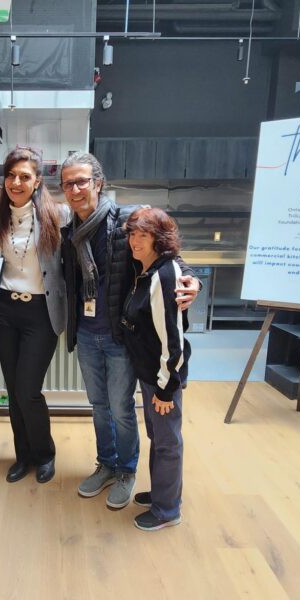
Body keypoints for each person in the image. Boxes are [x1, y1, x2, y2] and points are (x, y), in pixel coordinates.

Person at [59, 152, 200, 510]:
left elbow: (169, 253)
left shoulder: (125, 220)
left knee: (122, 408)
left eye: (81, 181)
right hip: (87, 334)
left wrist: (191, 278)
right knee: (98, 405)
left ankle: (126, 469)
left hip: (122, 336)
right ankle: (105, 463)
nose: (75, 189)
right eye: (67, 183)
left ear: (98, 183)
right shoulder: (68, 232)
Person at [0, 147, 69, 484]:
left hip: (40, 313)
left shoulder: (59, 216)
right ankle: (23, 456)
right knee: (13, 389)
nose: (16, 182)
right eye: (11, 175)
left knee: (28, 390)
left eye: (24, 176)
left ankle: (45, 454)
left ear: (37, 182)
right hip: (4, 312)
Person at [120, 208, 189, 531]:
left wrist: (165, 388)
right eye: (132, 234)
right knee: (158, 437)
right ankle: (163, 493)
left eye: (143, 235)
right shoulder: (145, 270)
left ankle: (167, 509)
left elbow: (172, 341)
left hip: (163, 378)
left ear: (159, 240)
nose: (135, 241)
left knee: (166, 442)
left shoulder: (164, 275)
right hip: (151, 374)